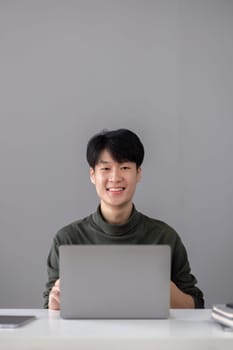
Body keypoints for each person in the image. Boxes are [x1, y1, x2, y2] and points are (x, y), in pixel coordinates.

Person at [43, 128, 204, 310]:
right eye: (105, 168)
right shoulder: (67, 239)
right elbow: (49, 311)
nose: (115, 177)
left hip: (150, 337)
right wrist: (54, 303)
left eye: (125, 167)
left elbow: (196, 306)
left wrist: (162, 288)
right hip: (87, 338)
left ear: (138, 174)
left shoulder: (165, 237)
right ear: (92, 175)